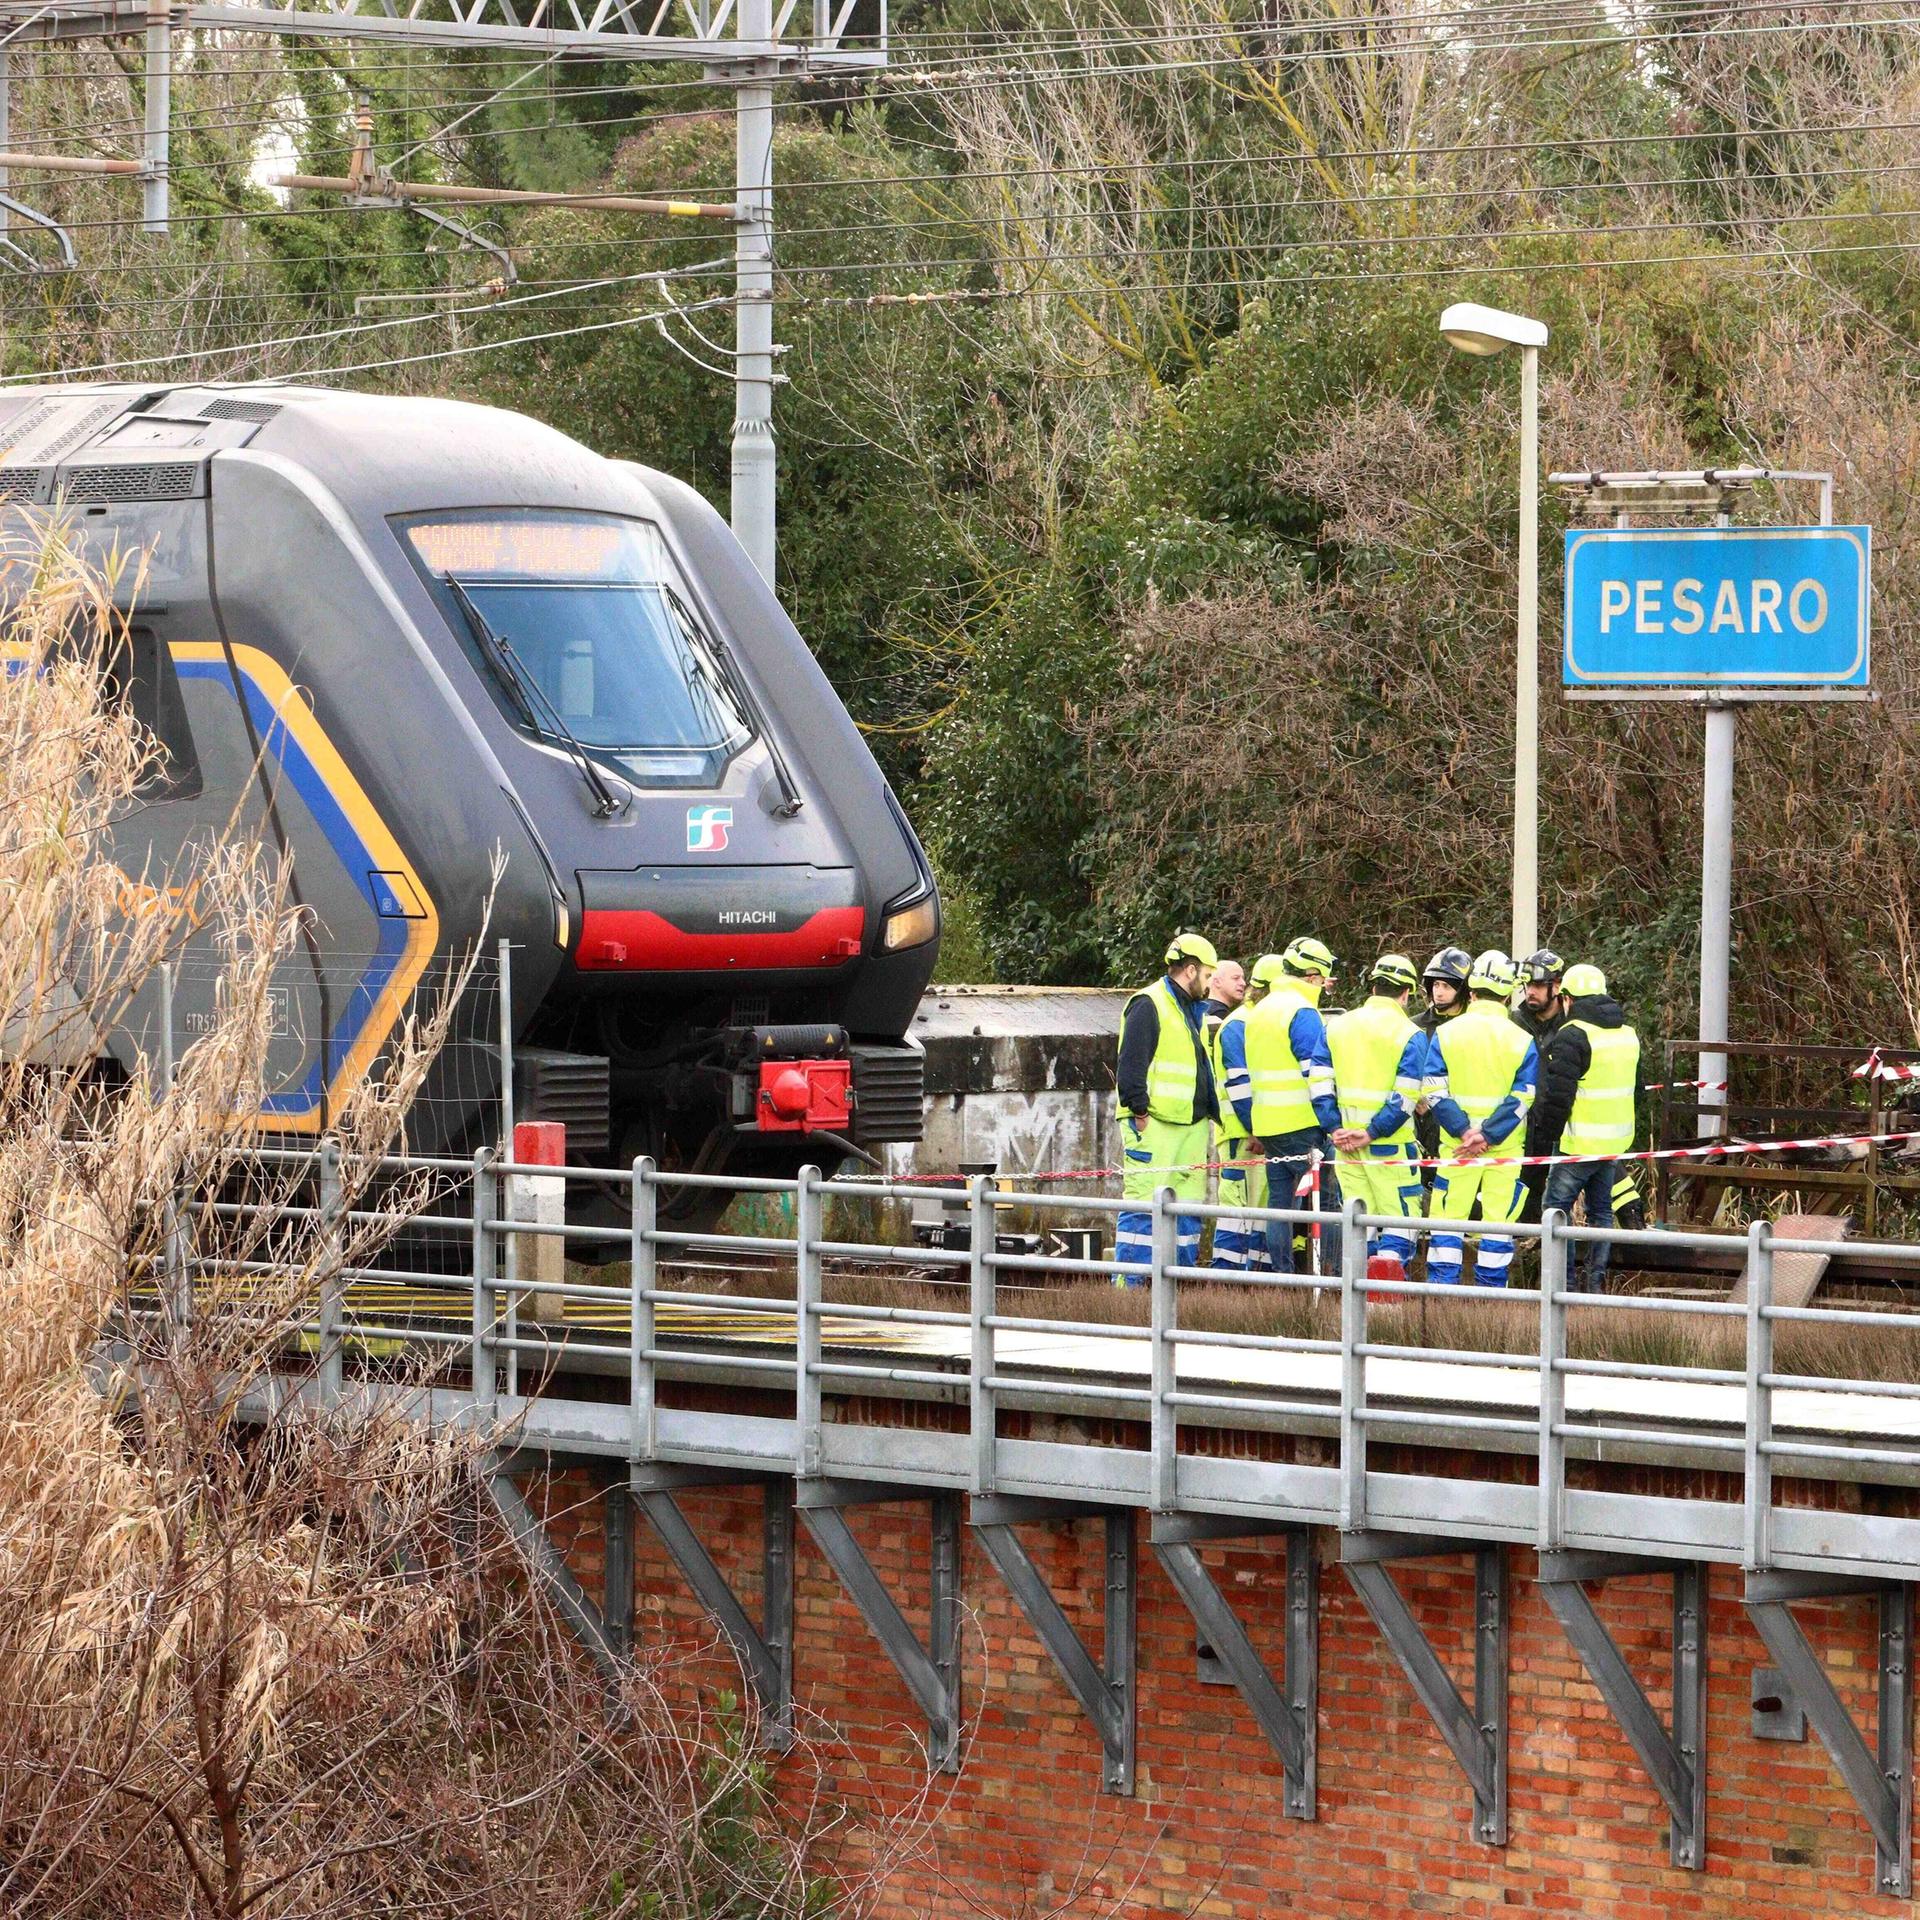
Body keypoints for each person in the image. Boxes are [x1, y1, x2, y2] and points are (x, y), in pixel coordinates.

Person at [1422, 951, 1539, 1287]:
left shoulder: (1446, 1034)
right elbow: (1523, 1097)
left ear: (1470, 992)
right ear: (1507, 995)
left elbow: (1434, 1090)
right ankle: (1491, 1302)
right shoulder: (1522, 1039)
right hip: (1503, 1150)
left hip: (1456, 1148)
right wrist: (1487, 1135)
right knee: (1498, 1226)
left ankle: (1443, 1294)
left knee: (1448, 1222)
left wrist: (1463, 1132)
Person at [1531, 962, 1643, 1294]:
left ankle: (1561, 1286)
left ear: (1566, 998)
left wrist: (1545, 1135)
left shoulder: (1572, 1034)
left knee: (1555, 1212)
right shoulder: (1627, 1033)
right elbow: (1637, 1089)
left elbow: (1558, 1097)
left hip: (1577, 1144)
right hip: (1613, 1143)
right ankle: (1595, 1285)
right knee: (1601, 1213)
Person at [1115, 932, 1219, 1281]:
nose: (1209, 985)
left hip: (1188, 1127)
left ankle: (1177, 1290)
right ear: (1190, 971)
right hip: (1155, 1126)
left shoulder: (1191, 1010)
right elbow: (1130, 1067)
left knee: (1186, 1214)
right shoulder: (1149, 1003)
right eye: (1207, 975)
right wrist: (1140, 1113)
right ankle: (1130, 1294)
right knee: (1144, 1211)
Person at [1238, 937, 1343, 1274]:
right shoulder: (1302, 1012)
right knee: (1327, 1204)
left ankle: (1285, 1279)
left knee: (1280, 1207)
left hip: (1269, 1125)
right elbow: (1315, 1075)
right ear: (1313, 976)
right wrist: (1333, 1121)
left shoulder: (1261, 1010)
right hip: (1303, 1124)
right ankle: (1337, 1279)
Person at [1325, 954, 1428, 1274]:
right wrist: (1371, 1132)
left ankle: (1358, 1301)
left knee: (1360, 1224)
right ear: (1406, 993)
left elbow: (1317, 1083)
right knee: (1399, 1222)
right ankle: (1387, 1308)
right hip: (1391, 1148)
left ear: (1371, 986)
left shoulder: (1336, 1026)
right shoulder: (1410, 1033)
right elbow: (1406, 1097)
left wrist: (1334, 1127)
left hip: (1345, 1147)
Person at [1208, 955, 1274, 1272]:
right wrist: (1256, 1128)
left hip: (1255, 1134)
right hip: (1241, 1136)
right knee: (1237, 1210)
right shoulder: (1238, 1026)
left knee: (1259, 1211)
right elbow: (1239, 1087)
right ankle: (1227, 1281)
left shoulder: (1256, 1022)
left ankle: (1255, 1286)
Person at [1413, 946, 1473, 1196]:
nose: (1439, 991)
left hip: (1461, 1116)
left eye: (1447, 986)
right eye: (1436, 985)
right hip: (1420, 1118)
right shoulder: (1415, 1026)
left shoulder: (1473, 1025)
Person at [1513, 948, 1567, 1226]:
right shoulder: (1514, 1022)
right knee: (1522, 1205)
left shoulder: (1573, 1026)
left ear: (1556, 986)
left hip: (1559, 1127)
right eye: (1527, 985)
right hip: (1521, 1125)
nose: (1530, 992)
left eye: (1537, 985)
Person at [1200, 958, 1247, 1027]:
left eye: (1243, 978)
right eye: (1236, 978)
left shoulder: (1202, 1009)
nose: (1243, 983)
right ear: (1217, 982)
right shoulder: (1219, 1016)